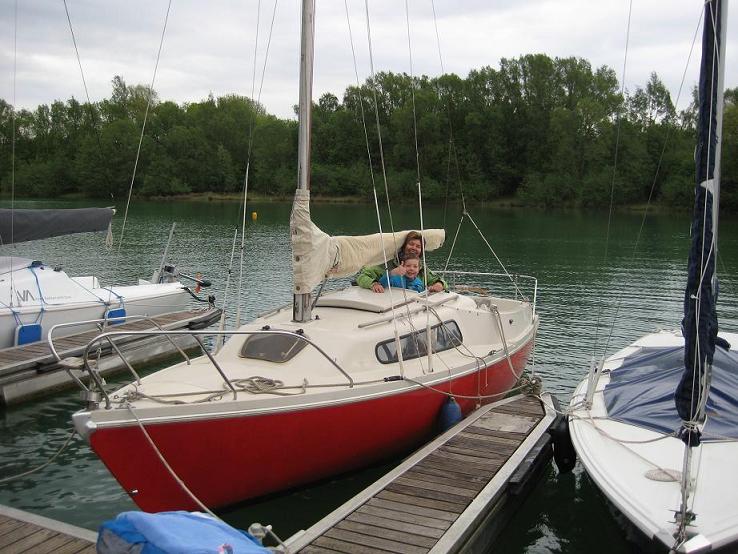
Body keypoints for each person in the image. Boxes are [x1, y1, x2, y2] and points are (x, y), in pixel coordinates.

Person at [356, 231, 447, 293]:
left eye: (418, 246)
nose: (414, 248)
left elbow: (438, 280)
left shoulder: (421, 267)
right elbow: (362, 277)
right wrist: (373, 284)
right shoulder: (386, 263)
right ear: (404, 246)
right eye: (411, 244)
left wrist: (440, 284)